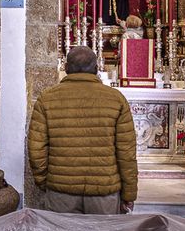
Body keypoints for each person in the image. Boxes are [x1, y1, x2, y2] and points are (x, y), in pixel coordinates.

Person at [28, 46, 137, 214]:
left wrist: (45, 181)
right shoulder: (116, 99)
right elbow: (126, 152)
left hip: (61, 190)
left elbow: (36, 150)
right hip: (103, 192)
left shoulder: (46, 99)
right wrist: (129, 193)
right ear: (96, 68)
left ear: (66, 68)